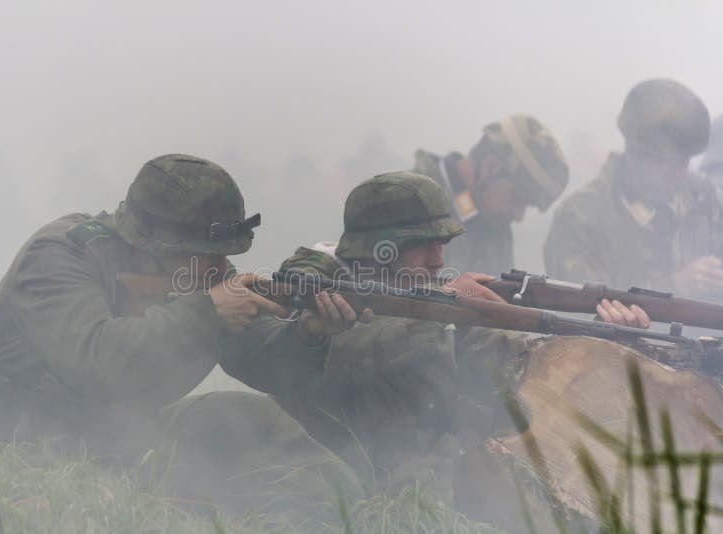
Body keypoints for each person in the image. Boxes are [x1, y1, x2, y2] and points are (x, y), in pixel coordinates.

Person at [0, 153, 358, 516]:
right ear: (153, 245)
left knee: (245, 419)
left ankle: (350, 514)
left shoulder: (195, 277)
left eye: (222, 254)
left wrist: (307, 334)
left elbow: (257, 356)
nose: (220, 266)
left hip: (103, 437)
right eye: (206, 253)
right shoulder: (60, 253)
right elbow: (99, 363)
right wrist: (207, 312)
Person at [219, 171, 649, 532]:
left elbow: (519, 361)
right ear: (377, 248)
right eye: (422, 244)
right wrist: (448, 304)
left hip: (440, 490)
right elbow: (356, 350)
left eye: (442, 243)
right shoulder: (312, 296)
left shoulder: (426, 299)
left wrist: (603, 342)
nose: (437, 258)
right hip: (350, 499)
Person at [544, 79, 723, 300]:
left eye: (685, 161)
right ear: (637, 154)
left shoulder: (702, 196)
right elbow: (580, 311)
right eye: (669, 162)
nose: (681, 173)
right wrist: (673, 285)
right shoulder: (580, 215)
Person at [412, 115, 569, 276]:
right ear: (491, 167)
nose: (519, 216)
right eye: (518, 199)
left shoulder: (494, 228)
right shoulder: (414, 202)